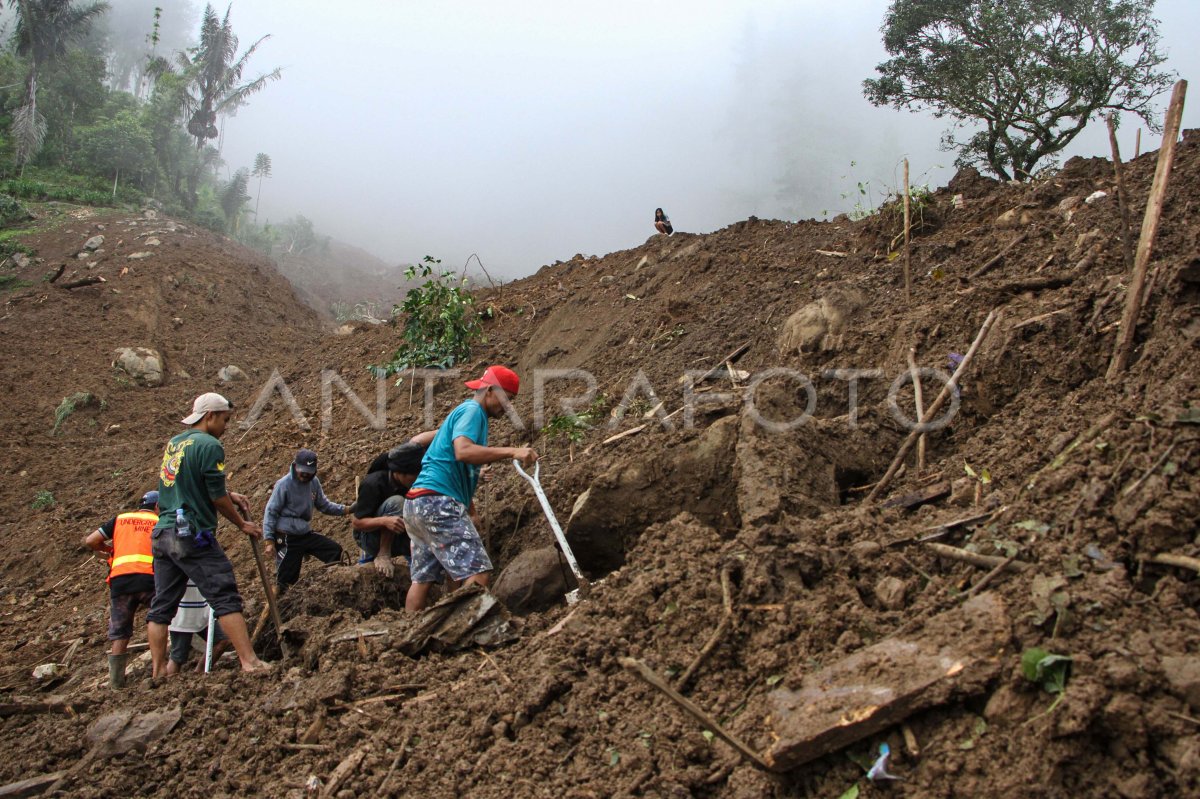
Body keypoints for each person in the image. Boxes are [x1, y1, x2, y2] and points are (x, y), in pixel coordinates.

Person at [145, 392, 269, 677]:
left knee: (162, 604)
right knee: (225, 594)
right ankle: (249, 662)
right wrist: (242, 524)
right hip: (191, 533)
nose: (226, 426)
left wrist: (228, 492)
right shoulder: (211, 445)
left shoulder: (175, 443)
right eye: (224, 420)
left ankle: (158, 672)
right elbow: (215, 497)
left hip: (163, 531)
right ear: (210, 416)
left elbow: (187, 483)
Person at [402, 365, 538, 612]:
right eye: (506, 398)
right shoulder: (473, 410)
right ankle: (462, 630)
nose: (508, 406)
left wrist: (471, 508)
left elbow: (457, 465)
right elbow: (463, 452)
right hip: (437, 502)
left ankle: (409, 634)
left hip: (417, 502)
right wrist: (512, 451)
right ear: (489, 390)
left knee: (422, 580)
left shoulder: (465, 413)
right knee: (479, 572)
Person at [82, 489, 159, 689]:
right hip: (149, 578)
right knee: (159, 618)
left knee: (120, 629)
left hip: (120, 580)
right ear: (157, 506)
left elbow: (91, 541)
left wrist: (110, 551)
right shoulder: (159, 521)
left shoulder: (121, 519)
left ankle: (116, 682)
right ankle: (159, 669)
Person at [262, 448, 349, 592]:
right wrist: (269, 540)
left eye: (309, 472)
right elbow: (271, 512)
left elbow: (324, 505)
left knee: (335, 552)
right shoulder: (284, 484)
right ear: (295, 466)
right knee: (286, 581)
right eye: (302, 471)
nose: (305, 475)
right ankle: (276, 608)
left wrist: (347, 509)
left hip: (305, 533)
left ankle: (333, 590)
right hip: (287, 537)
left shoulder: (313, 483)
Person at [349, 438, 430, 577]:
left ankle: (421, 572)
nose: (417, 479)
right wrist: (385, 521)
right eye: (415, 476)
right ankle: (383, 554)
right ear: (400, 472)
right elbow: (356, 523)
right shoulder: (373, 483)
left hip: (397, 534)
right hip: (368, 537)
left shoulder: (409, 484)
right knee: (396, 502)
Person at [167, 580, 229, 674]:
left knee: (221, 640)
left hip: (201, 607)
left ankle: (199, 673)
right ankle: (167, 684)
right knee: (178, 657)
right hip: (183, 610)